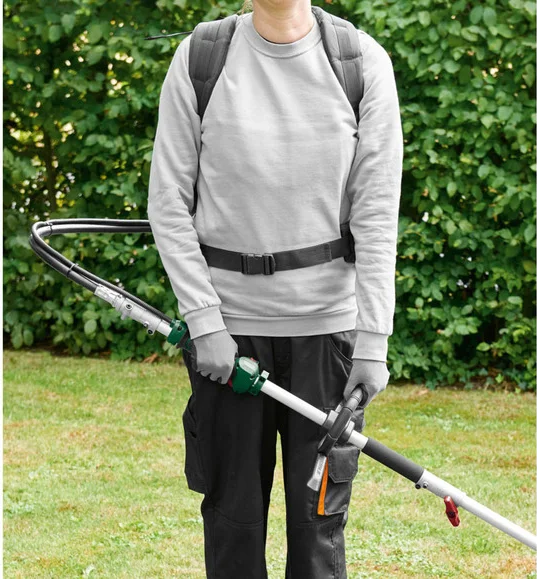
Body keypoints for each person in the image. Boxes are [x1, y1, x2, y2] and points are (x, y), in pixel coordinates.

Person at [148, 0, 402, 576]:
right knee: (233, 525)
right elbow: (168, 202)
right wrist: (205, 323)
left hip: (327, 339)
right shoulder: (201, 58)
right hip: (228, 342)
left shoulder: (360, 62)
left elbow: (376, 213)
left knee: (318, 532)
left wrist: (373, 341)